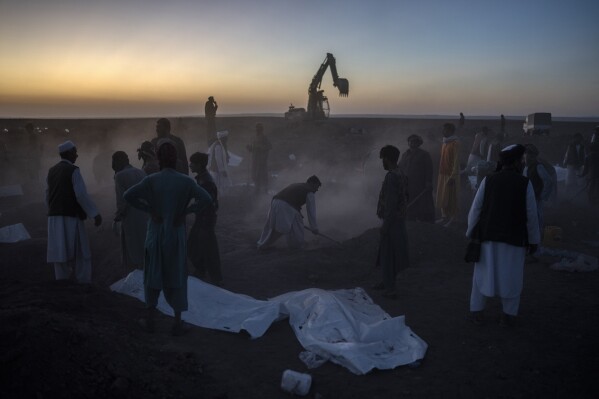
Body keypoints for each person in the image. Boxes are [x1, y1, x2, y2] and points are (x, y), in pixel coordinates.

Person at [124, 142, 212, 336]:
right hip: (176, 233)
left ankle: (149, 320)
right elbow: (206, 199)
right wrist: (186, 212)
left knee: (153, 273)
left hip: (155, 233)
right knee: (177, 275)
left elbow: (128, 195)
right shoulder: (186, 181)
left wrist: (150, 210)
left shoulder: (151, 180)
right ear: (176, 159)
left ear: (159, 159)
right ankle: (178, 322)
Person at [466, 144, 540, 327]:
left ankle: (476, 311)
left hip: (488, 237)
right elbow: (531, 215)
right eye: (521, 160)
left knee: (482, 275)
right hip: (514, 240)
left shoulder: (488, 180)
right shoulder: (524, 183)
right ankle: (508, 315)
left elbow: (475, 209)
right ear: (515, 162)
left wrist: (470, 231)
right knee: (512, 277)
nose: (523, 163)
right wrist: (534, 241)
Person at [46, 141, 102, 284]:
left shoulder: (51, 171)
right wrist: (94, 213)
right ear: (69, 153)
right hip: (71, 217)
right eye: (75, 152)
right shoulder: (73, 170)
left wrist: (53, 209)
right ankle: (84, 280)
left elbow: (47, 194)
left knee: (60, 251)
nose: (77, 155)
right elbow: (81, 195)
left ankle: (62, 280)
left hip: (54, 217)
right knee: (81, 250)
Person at [373, 145, 410, 299]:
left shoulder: (391, 177)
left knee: (388, 254)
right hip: (399, 218)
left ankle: (391, 288)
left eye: (383, 159)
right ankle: (386, 281)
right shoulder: (400, 172)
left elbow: (391, 204)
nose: (382, 162)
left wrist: (385, 225)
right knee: (390, 252)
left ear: (388, 159)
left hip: (393, 220)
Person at [257, 175, 321, 250]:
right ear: (312, 183)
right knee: (282, 229)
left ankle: (297, 243)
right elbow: (311, 211)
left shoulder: (297, 185)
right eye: (317, 187)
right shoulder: (309, 191)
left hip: (275, 202)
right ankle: (264, 246)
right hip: (286, 206)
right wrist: (314, 228)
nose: (317, 190)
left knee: (297, 222)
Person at [187, 152, 222, 286]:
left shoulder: (205, 181)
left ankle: (215, 277)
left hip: (205, 218)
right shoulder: (203, 178)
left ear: (199, 165)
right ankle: (204, 271)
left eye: (192, 163)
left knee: (207, 248)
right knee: (196, 245)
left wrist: (189, 209)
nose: (190, 165)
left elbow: (207, 201)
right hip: (204, 217)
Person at [112, 151, 148, 273]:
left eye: (114, 161)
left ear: (119, 161)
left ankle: (135, 277)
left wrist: (117, 218)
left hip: (130, 216)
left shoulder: (120, 176)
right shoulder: (142, 172)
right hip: (145, 215)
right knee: (144, 244)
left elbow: (121, 202)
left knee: (132, 247)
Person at [399, 135, 435, 223]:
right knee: (408, 202)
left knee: (422, 203)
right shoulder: (405, 155)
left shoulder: (424, 155)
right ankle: (410, 220)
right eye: (411, 141)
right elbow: (400, 168)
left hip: (420, 184)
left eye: (415, 141)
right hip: (407, 184)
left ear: (418, 143)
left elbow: (429, 169)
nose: (412, 143)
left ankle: (424, 221)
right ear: (408, 143)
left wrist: (428, 182)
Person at [524, 144, 554, 241]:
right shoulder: (528, 167)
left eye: (528, 154)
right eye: (525, 154)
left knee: (537, 219)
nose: (526, 156)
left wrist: (543, 195)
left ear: (532, 156)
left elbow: (548, 181)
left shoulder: (538, 166)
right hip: (529, 197)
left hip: (536, 198)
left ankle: (536, 240)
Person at [435, 123, 461, 227]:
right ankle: (444, 217)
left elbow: (456, 160)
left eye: (445, 130)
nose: (443, 132)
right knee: (443, 196)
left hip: (451, 175)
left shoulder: (456, 143)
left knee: (452, 197)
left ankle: (452, 219)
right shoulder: (444, 142)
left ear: (450, 131)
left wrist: (453, 176)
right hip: (442, 173)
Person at [246, 122, 272, 195]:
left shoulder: (264, 137)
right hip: (255, 159)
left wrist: (260, 147)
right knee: (255, 174)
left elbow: (269, 146)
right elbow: (253, 148)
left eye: (259, 129)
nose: (257, 130)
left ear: (261, 130)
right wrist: (249, 148)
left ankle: (265, 191)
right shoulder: (254, 138)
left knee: (263, 175)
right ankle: (257, 189)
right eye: (256, 129)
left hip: (262, 160)